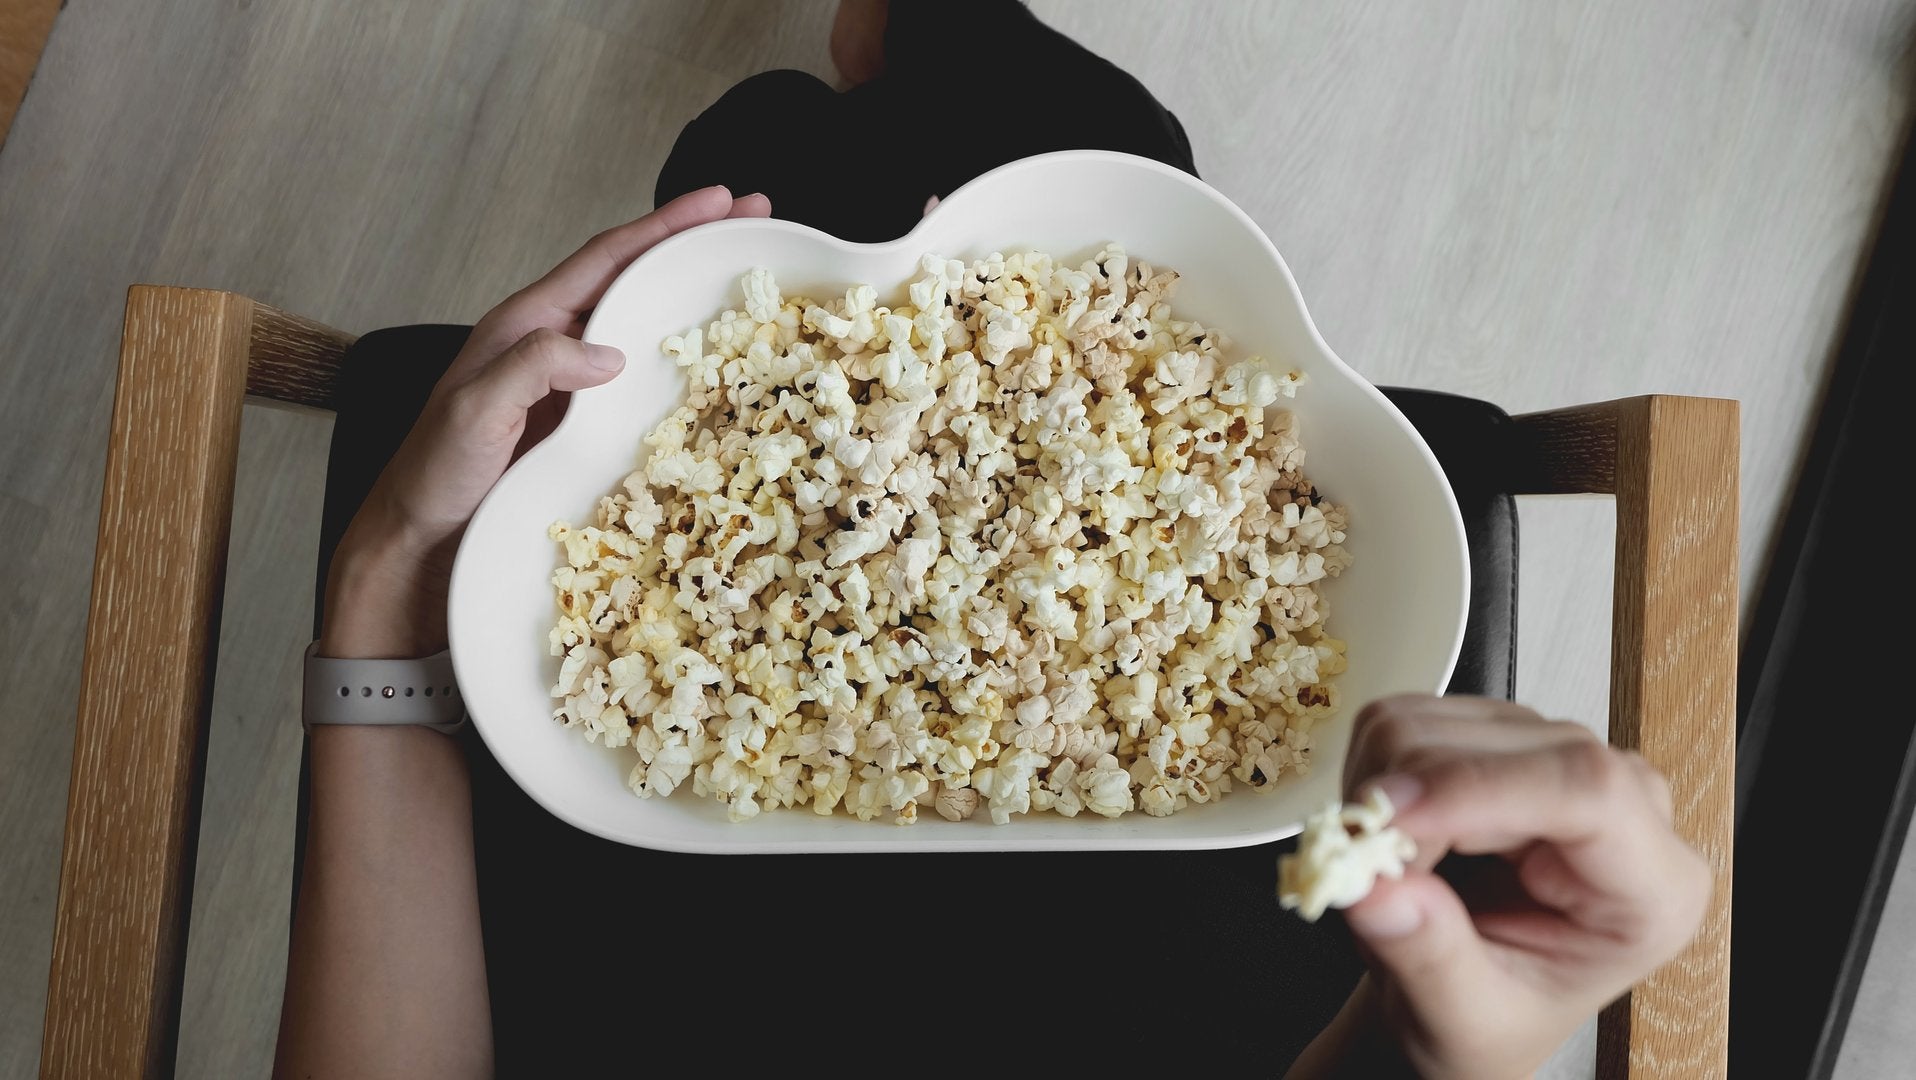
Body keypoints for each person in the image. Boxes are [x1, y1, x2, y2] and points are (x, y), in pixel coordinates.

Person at [273, 4, 1710, 1077]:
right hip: (1185, 891)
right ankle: (910, 34)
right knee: (1103, 153)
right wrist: (1429, 1051)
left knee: (761, 162)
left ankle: (868, 58)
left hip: (646, 889)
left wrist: (389, 578)